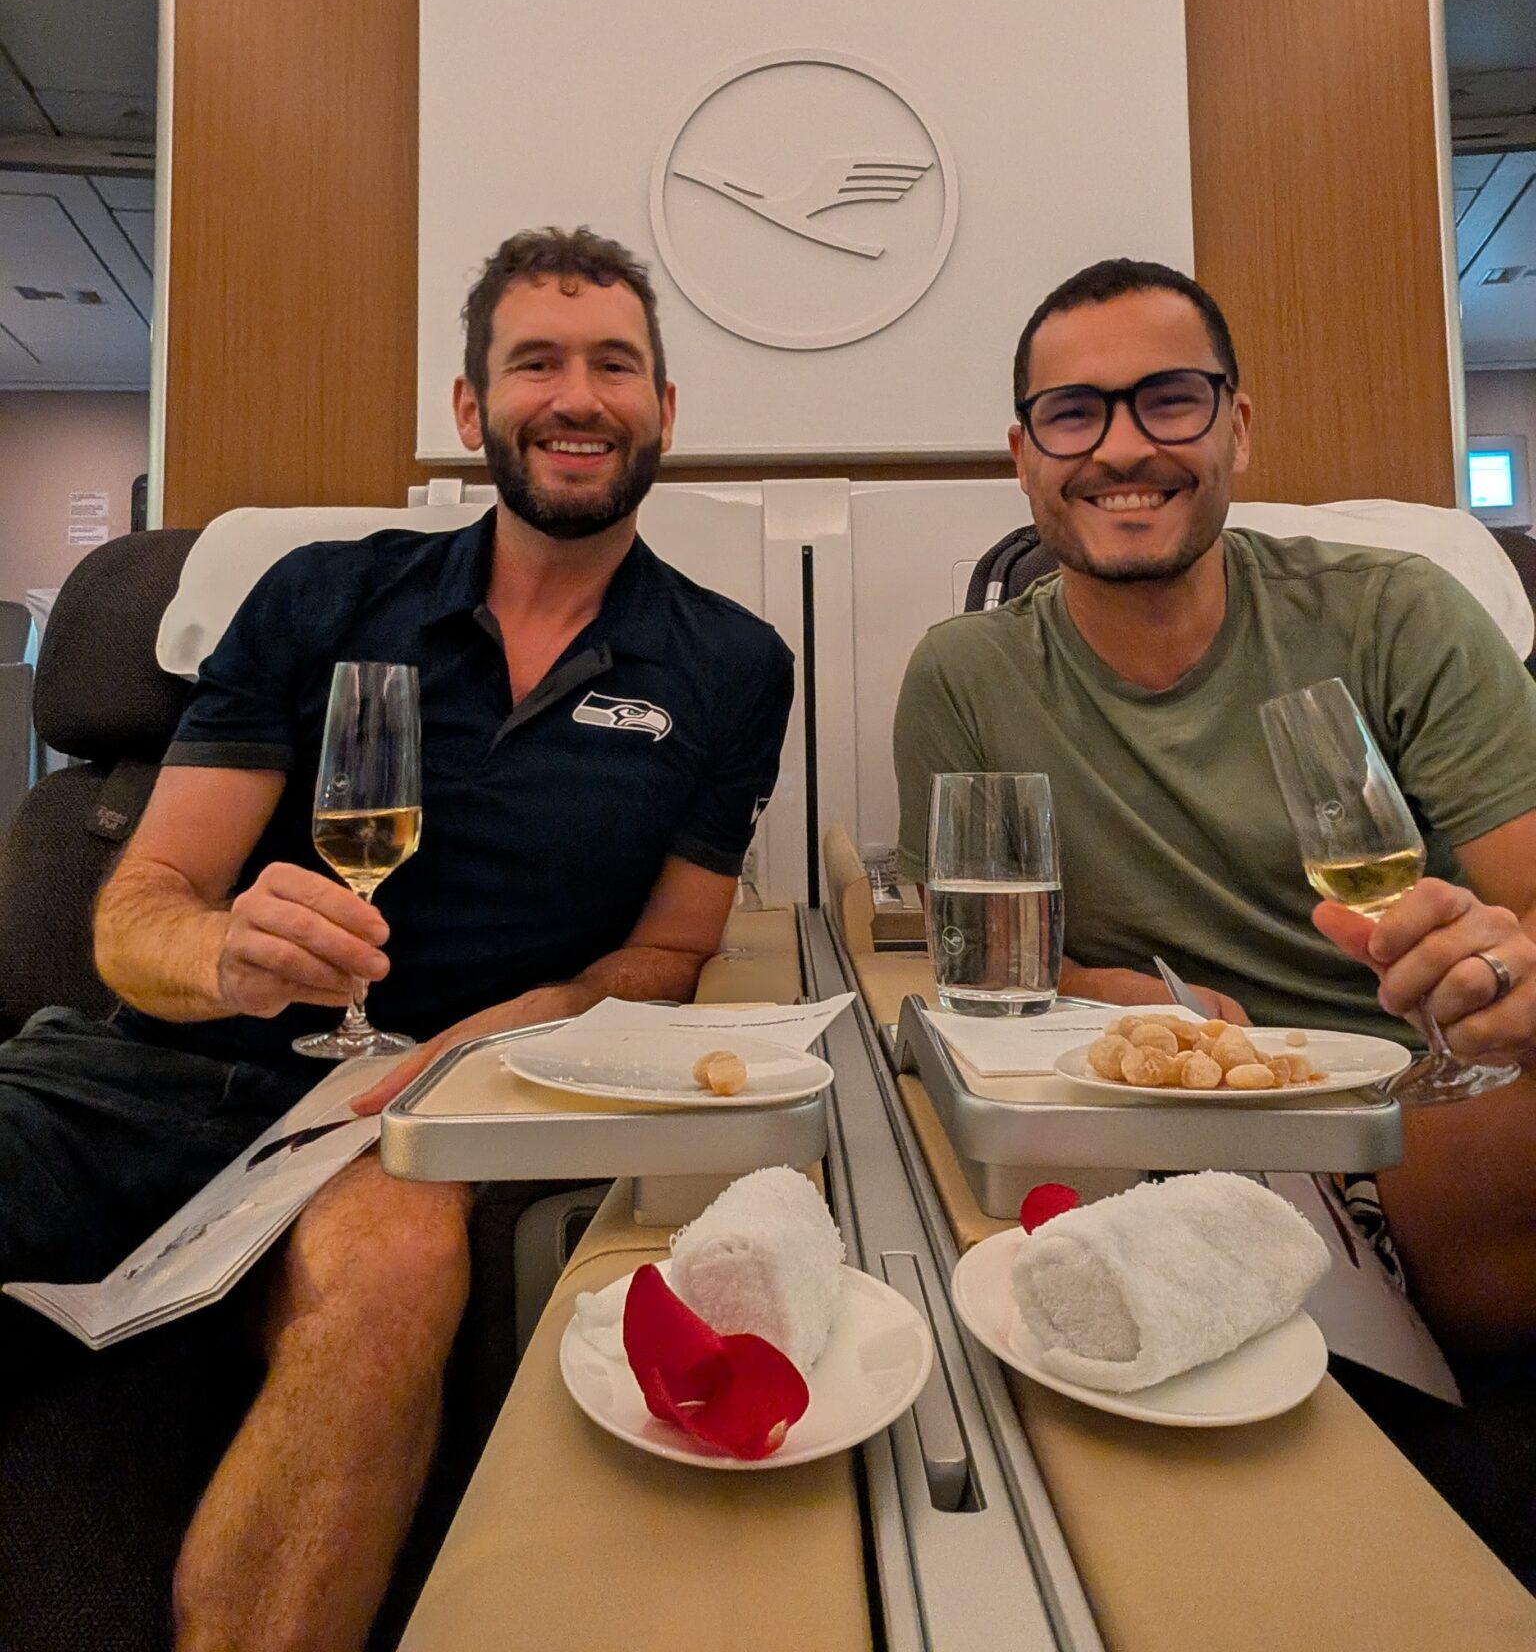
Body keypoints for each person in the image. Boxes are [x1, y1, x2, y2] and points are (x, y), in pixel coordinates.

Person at [0, 226, 794, 1652]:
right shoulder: (320, 596)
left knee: (391, 1271)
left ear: (665, 412)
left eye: (615, 364)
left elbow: (668, 957)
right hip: (152, 1073)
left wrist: (524, 1018)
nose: (576, 395)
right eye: (533, 362)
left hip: (418, 1112)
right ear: (469, 407)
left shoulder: (733, 665)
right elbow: (141, 906)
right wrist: (224, 952)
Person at [894, 258, 1536, 1356]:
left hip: (1416, 1116)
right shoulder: (965, 677)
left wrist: (1497, 979)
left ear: (1235, 428)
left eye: (1170, 399)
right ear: (1023, 457)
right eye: (1073, 413)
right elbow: (971, 971)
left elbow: (1528, 921)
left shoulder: (1398, 617)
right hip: (1153, 1144)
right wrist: (1100, 994)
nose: (1122, 446)